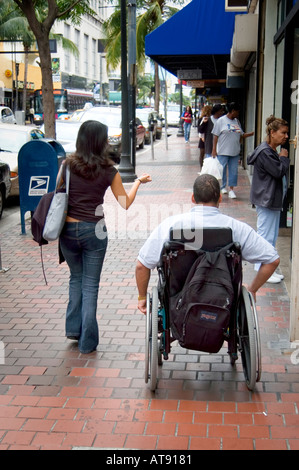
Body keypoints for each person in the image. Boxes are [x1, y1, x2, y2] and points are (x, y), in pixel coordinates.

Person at [59, 120, 151, 353]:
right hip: (94, 231)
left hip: (68, 231)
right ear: (100, 142)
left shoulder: (67, 165)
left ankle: (73, 329)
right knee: (90, 285)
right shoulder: (109, 170)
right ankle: (87, 342)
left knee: (75, 278)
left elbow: (58, 194)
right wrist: (138, 182)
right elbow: (125, 203)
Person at [135, 174, 280, 314]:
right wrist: (252, 289)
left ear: (193, 198)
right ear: (220, 198)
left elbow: (142, 265)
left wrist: (142, 297)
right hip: (223, 299)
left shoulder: (172, 226)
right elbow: (273, 259)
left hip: (179, 299)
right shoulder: (236, 228)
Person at [247, 115, 289, 284]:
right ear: (272, 133)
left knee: (270, 236)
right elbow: (278, 171)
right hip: (267, 199)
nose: (286, 136)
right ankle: (262, 270)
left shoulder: (269, 151)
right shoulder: (266, 152)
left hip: (270, 199)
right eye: (283, 133)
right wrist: (284, 157)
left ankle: (267, 268)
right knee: (265, 235)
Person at [212, 102, 254, 199]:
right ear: (233, 111)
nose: (238, 114)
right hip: (223, 151)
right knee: (221, 170)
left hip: (235, 151)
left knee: (233, 171)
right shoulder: (221, 121)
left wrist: (251, 134)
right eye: (237, 112)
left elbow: (241, 134)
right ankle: (222, 187)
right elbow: (215, 135)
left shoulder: (237, 121)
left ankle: (231, 189)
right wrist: (214, 149)